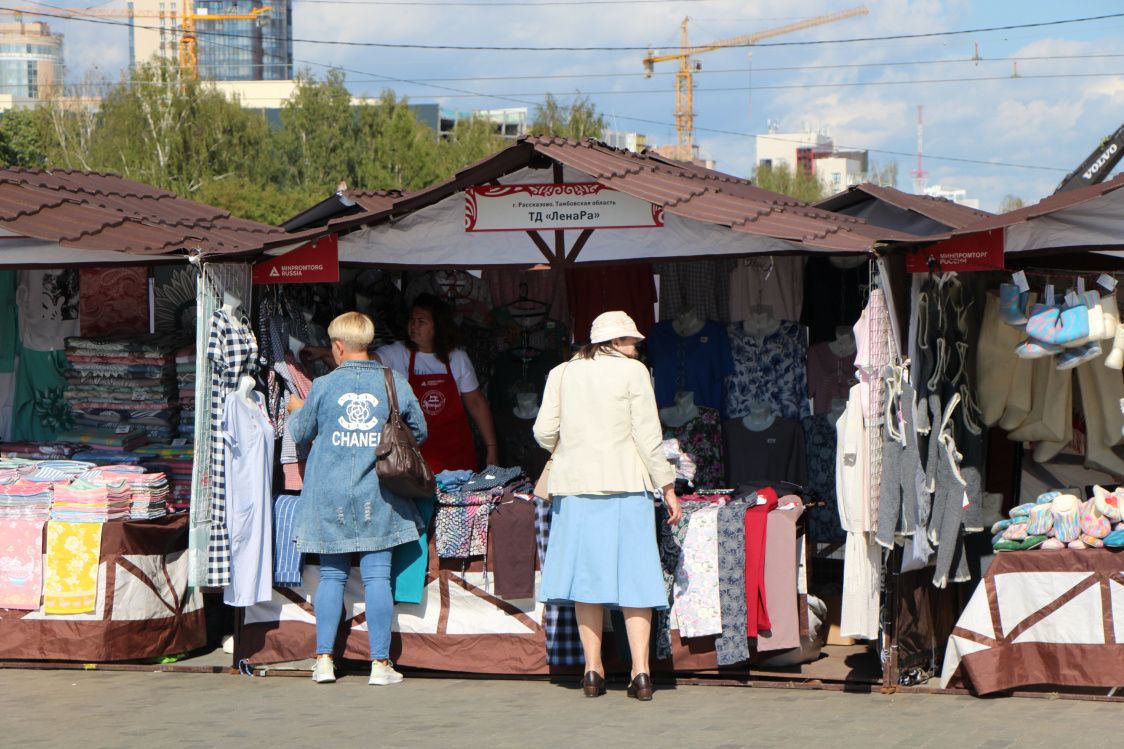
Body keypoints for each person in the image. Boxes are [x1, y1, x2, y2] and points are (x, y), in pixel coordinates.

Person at [532, 310, 681, 702]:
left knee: (587, 581)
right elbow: (648, 436)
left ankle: (593, 671)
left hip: (576, 487)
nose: (636, 347)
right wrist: (667, 486)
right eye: (632, 341)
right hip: (626, 485)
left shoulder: (561, 373)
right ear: (615, 342)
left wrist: (573, 448)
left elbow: (543, 431)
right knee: (636, 580)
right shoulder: (634, 373)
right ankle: (641, 673)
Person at [287, 311, 428, 687]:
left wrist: (293, 410)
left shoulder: (324, 386)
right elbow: (419, 430)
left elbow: (300, 433)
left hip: (328, 493)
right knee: (377, 577)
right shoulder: (393, 382)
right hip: (378, 493)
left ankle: (324, 662)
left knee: (331, 576)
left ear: (338, 345)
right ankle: (380, 665)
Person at [375, 293, 498, 473]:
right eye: (412, 320)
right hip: (415, 455)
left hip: (457, 454)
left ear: (437, 328)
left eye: (421, 321)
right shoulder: (397, 353)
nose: (414, 325)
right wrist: (327, 352)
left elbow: (476, 403)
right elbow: (363, 361)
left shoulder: (457, 358)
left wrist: (492, 448)